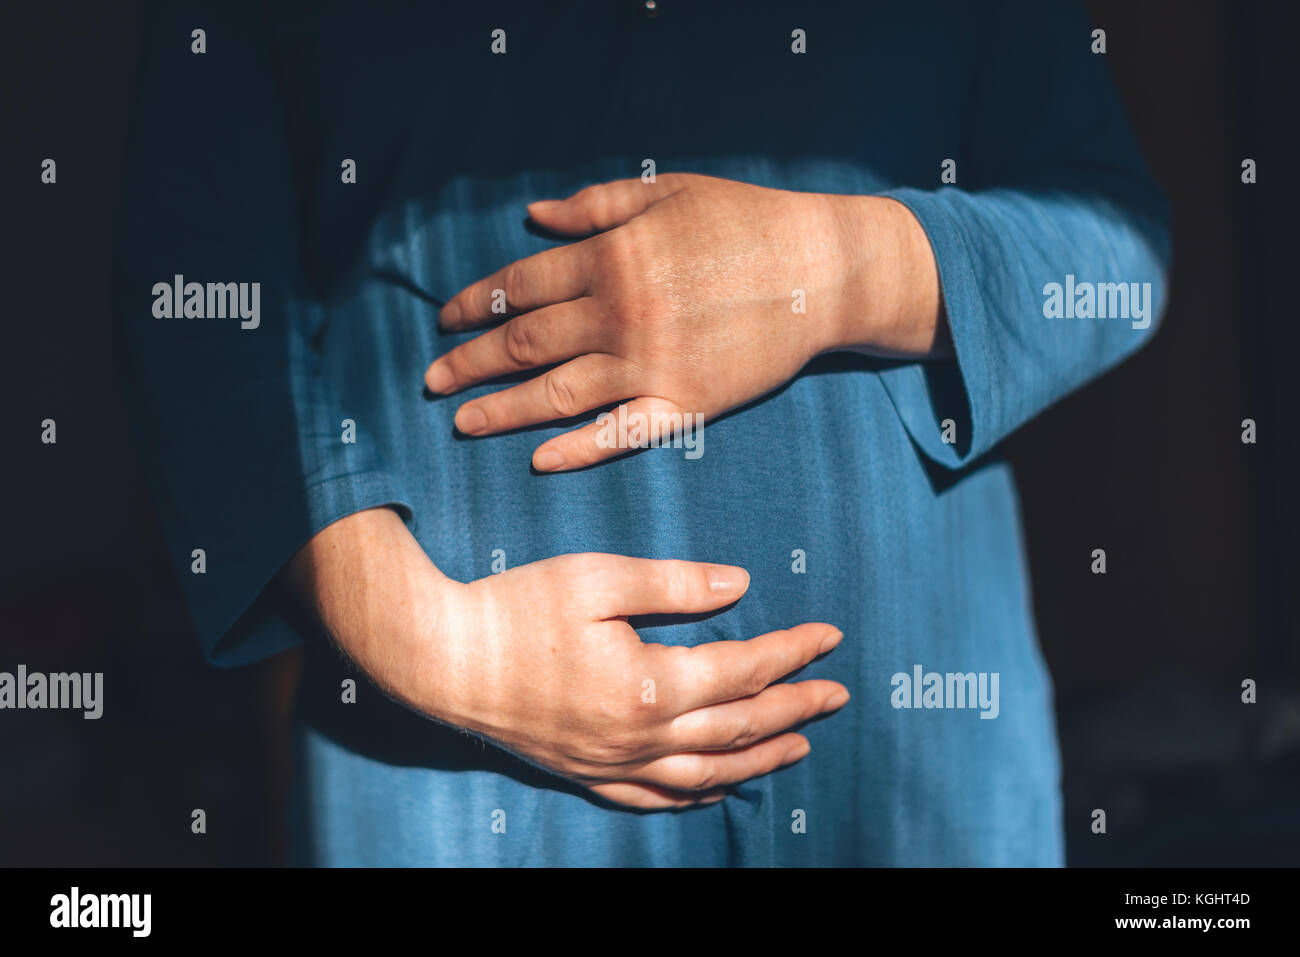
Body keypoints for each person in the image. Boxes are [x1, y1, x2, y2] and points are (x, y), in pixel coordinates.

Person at [115, 0, 1169, 865]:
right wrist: (431, 641)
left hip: (908, 773)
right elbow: (196, 297)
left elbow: (1112, 248)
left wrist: (835, 269)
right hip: (456, 781)